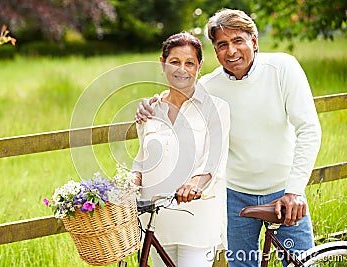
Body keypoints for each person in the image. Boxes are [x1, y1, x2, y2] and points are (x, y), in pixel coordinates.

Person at [135, 9, 322, 267]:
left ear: (254, 42)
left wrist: (294, 191)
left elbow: (309, 130)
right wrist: (149, 105)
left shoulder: (283, 68)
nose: (231, 51)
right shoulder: (209, 88)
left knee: (302, 262)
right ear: (215, 51)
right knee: (240, 264)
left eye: (238, 41)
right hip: (234, 196)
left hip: (284, 191)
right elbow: (176, 98)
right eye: (222, 44)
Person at [132, 32, 230, 267]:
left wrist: (193, 185)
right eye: (174, 62)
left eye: (189, 63)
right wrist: (131, 178)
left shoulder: (217, 108)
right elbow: (143, 158)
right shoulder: (150, 109)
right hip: (155, 220)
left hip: (196, 219)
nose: (181, 70)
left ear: (200, 66)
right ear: (162, 63)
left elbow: (214, 161)